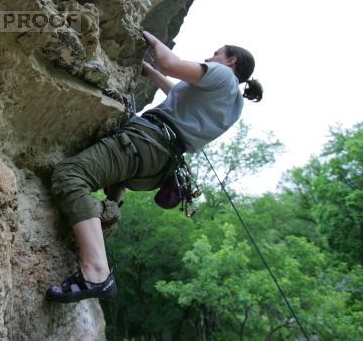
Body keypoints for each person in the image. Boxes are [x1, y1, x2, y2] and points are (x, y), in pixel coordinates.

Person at [45, 31, 263, 303]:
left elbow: (171, 64)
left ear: (230, 61)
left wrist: (154, 41)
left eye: (216, 53)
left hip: (145, 142)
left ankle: (97, 272)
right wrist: (150, 73)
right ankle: (109, 210)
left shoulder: (221, 74)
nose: (210, 57)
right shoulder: (234, 102)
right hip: (158, 166)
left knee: (70, 175)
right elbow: (180, 96)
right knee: (114, 176)